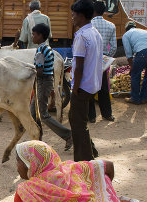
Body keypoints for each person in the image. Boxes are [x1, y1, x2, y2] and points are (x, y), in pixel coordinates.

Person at [69, 0, 102, 162]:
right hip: (92, 84)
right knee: (79, 120)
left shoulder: (82, 36)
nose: (72, 18)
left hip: (82, 87)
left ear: (81, 16)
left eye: (73, 15)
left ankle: (83, 161)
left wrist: (75, 88)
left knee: (78, 124)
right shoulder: (95, 32)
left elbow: (79, 66)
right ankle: (91, 151)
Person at [31, 23, 72, 151]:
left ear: (40, 36)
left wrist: (29, 71)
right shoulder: (48, 48)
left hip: (42, 82)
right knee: (33, 112)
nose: (32, 37)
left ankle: (68, 135)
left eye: (34, 35)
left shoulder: (40, 50)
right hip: (46, 81)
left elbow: (40, 71)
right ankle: (37, 139)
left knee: (43, 114)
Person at [89, 1, 116, 122]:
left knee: (89, 87)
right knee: (103, 87)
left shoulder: (88, 24)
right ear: (104, 11)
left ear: (93, 11)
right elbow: (114, 47)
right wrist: (106, 58)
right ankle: (107, 114)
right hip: (102, 61)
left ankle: (92, 116)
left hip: (89, 60)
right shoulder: (111, 25)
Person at [122, 21, 147, 105]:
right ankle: (144, 98)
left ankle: (135, 98)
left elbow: (129, 54)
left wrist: (132, 67)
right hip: (143, 52)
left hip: (142, 53)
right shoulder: (143, 31)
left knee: (135, 74)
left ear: (126, 29)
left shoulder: (126, 35)